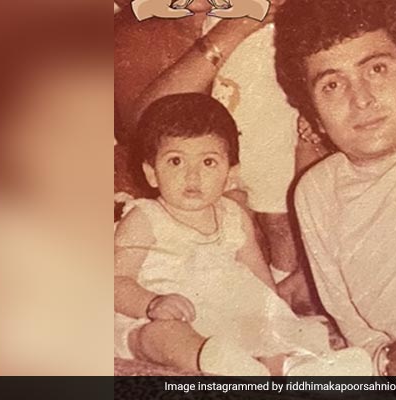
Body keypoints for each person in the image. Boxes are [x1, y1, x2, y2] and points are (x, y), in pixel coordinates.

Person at [273, 0, 396, 375]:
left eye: (377, 69)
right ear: (315, 116)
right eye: (332, 85)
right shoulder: (318, 193)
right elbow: (359, 335)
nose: (361, 99)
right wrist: (388, 358)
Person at [114, 93, 371, 376]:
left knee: (269, 330)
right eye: (176, 161)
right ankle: (222, 363)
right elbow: (114, 282)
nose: (192, 175)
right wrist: (151, 303)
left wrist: (275, 316)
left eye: (208, 162)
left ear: (230, 174)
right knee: (163, 337)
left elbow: (259, 276)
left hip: (227, 315)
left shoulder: (233, 216)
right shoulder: (145, 218)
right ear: (151, 173)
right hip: (161, 316)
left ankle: (291, 367)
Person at [127, 0, 307, 287]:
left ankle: (280, 291)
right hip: (219, 149)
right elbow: (148, 122)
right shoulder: (155, 29)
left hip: (276, 141)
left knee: (279, 222)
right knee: (226, 224)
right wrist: (235, 27)